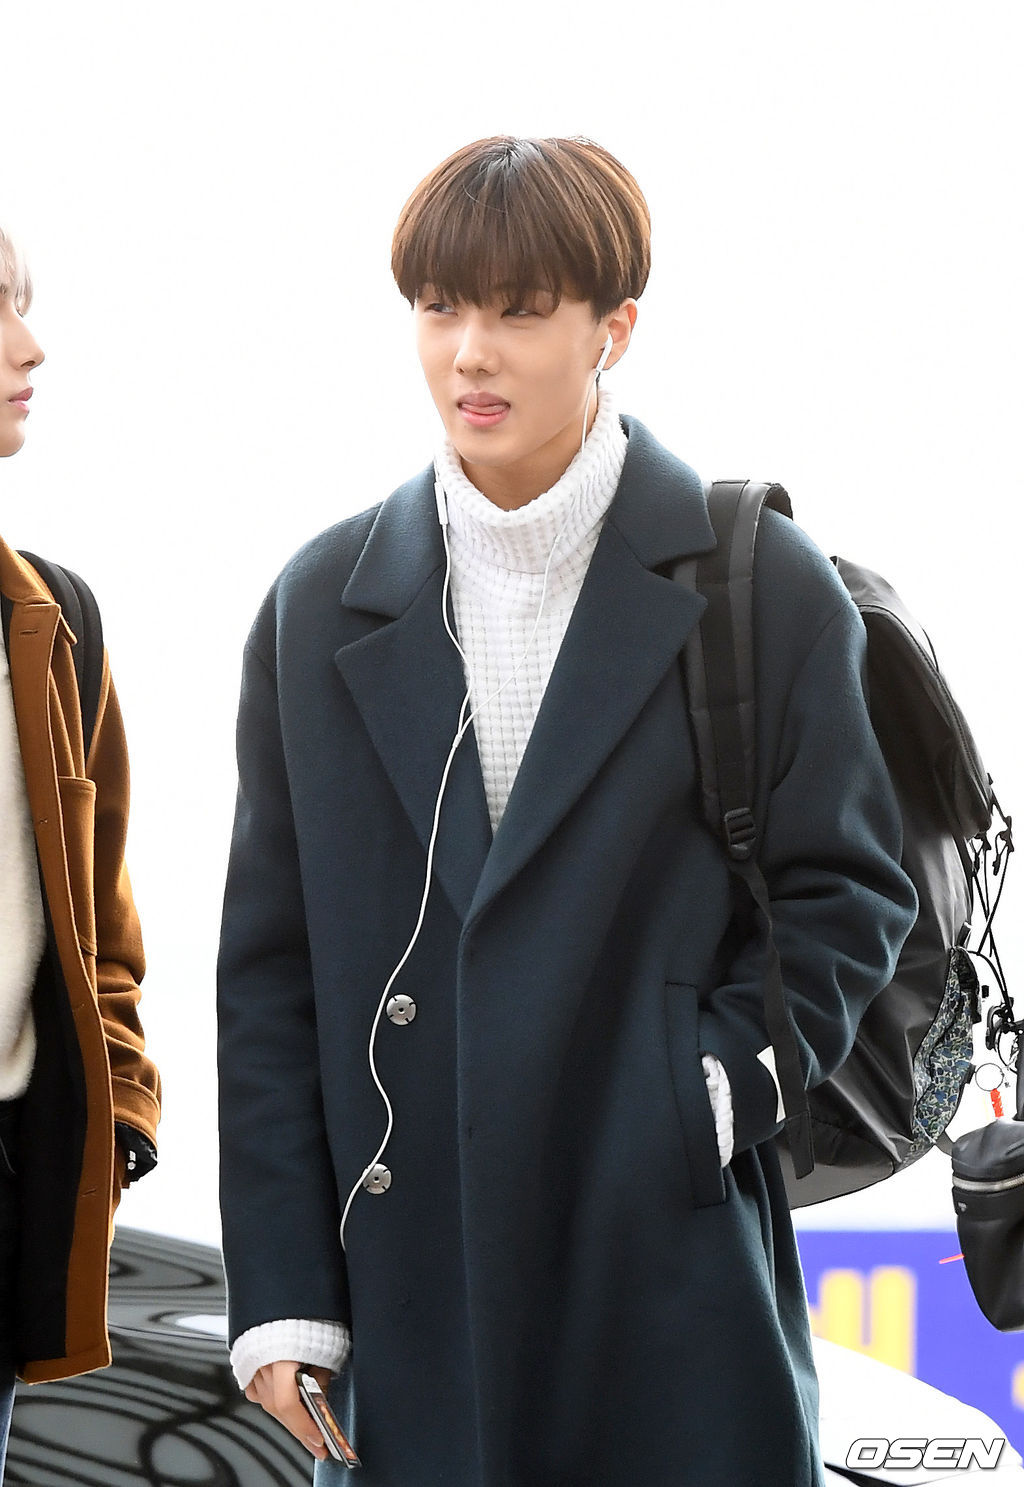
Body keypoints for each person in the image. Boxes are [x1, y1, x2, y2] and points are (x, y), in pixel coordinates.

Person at [217, 137, 918, 1485]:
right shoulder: (321, 607)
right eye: (439, 307)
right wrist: (285, 1293)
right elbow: (272, 972)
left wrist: (706, 1091)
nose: (470, 351)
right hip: (416, 1295)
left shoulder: (756, 583)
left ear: (615, 328)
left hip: (666, 1268)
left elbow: (848, 889)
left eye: (521, 310)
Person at [0, 227, 160, 1477]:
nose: (31, 346)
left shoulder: (53, 620)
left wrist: (125, 1109)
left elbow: (99, 925)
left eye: (24, 303)